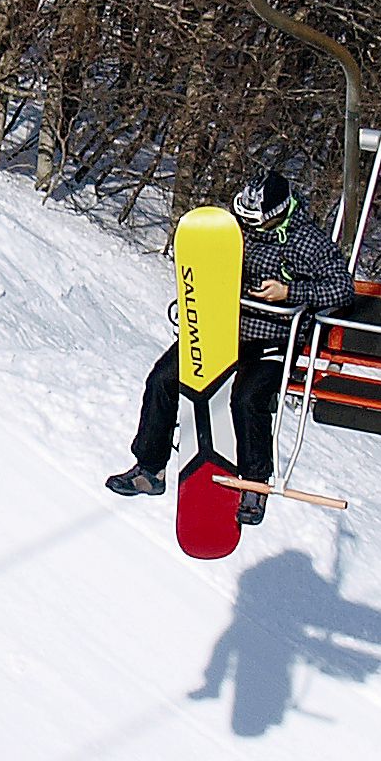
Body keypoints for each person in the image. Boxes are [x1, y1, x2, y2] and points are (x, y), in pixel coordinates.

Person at [107, 166, 357, 525]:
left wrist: (291, 292)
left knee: (247, 398)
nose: (250, 230)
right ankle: (150, 467)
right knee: (162, 379)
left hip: (273, 335)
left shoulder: (308, 241)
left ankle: (254, 483)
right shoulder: (235, 229)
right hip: (221, 328)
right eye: (245, 221)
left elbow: (342, 288)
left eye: (257, 224)